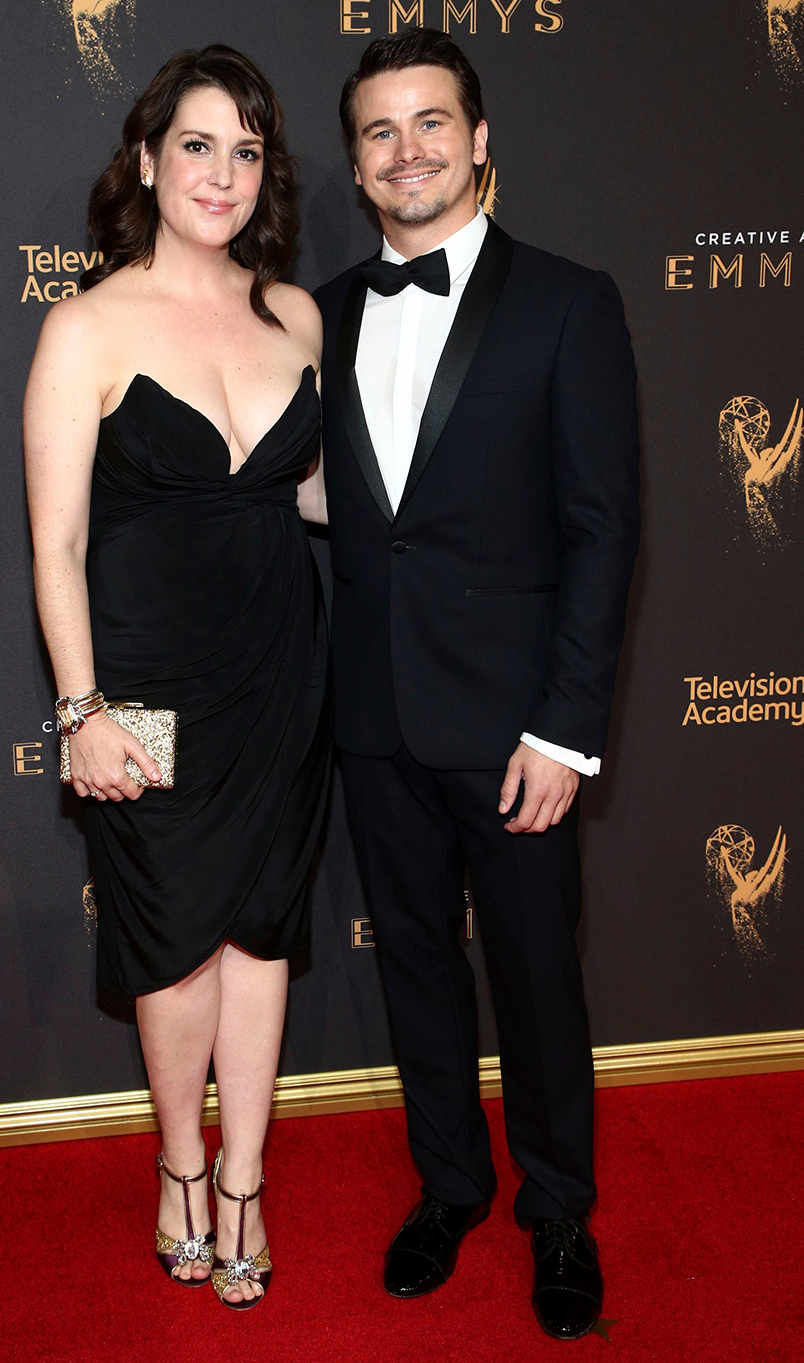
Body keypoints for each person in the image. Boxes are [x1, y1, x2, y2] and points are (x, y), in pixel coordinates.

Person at [313, 28, 639, 1340]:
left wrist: (567, 730)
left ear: (481, 137)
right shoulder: (319, 315)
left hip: (516, 730)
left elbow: (603, 526)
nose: (410, 150)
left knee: (536, 978)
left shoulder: (571, 301)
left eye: (432, 123)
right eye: (382, 132)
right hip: (375, 719)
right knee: (419, 977)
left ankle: (558, 1205)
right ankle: (450, 1181)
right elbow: (334, 502)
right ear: (354, 163)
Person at [23, 45, 329, 1311]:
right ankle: (180, 1166)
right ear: (147, 162)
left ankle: (246, 1177)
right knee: (171, 948)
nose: (222, 173)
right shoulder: (86, 324)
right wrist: (82, 709)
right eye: (197, 145)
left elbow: (315, 498)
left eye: (247, 149)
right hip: (143, 688)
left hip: (282, 678)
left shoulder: (293, 314)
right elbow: (56, 543)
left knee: (260, 933)